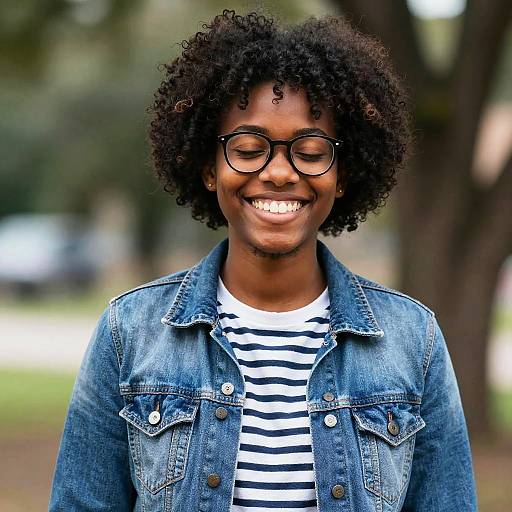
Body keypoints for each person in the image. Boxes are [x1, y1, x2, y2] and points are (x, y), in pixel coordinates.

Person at [49, 9, 478, 512]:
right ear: (210, 169)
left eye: (311, 151)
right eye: (249, 148)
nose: (278, 173)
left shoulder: (413, 340)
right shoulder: (130, 332)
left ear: (343, 175)